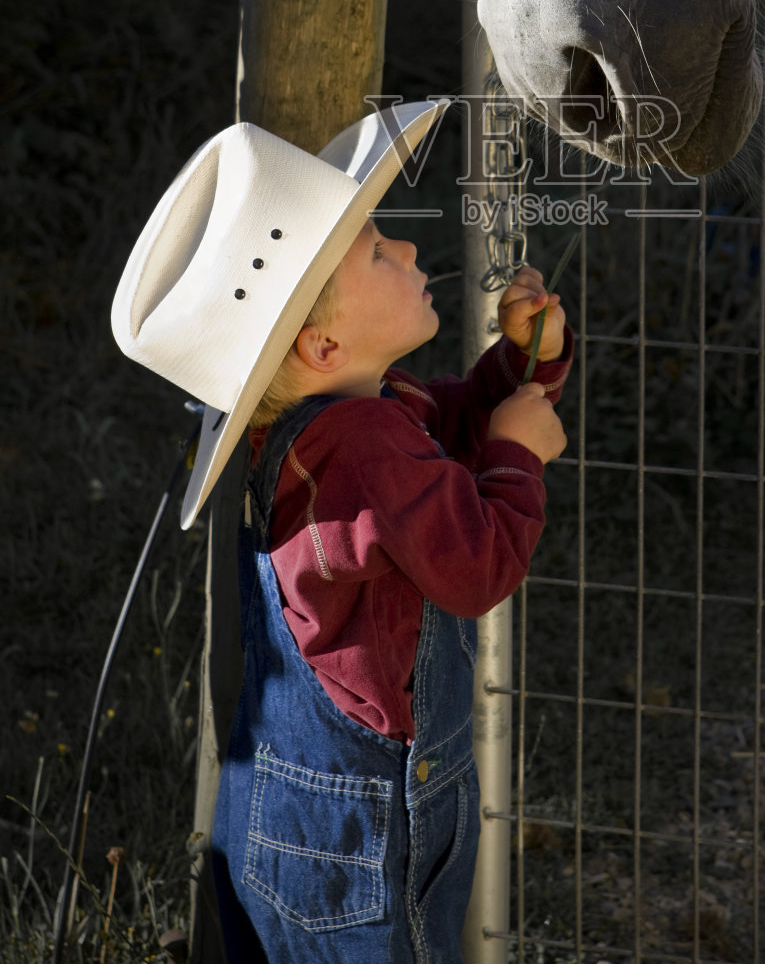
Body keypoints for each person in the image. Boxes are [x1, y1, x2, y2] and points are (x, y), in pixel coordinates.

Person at [111, 100, 571, 963]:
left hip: (282, 804)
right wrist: (519, 459)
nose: (404, 248)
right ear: (323, 347)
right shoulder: (364, 445)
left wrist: (520, 364)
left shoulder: (340, 423)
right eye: (375, 248)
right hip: (360, 831)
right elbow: (473, 565)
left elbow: (450, 436)